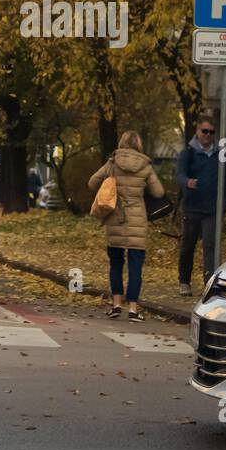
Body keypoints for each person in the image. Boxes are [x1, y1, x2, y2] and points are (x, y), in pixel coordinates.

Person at [88, 131, 163, 322]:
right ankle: (133, 309)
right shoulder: (146, 166)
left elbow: (92, 182)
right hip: (137, 221)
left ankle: (115, 305)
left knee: (116, 264)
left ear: (122, 142)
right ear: (138, 144)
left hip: (115, 218)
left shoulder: (112, 163)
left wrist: (109, 184)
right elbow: (159, 192)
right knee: (135, 266)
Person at [175, 116, 226, 295]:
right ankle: (184, 282)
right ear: (197, 131)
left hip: (212, 209)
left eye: (211, 132)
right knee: (188, 245)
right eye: (205, 131)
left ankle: (209, 283)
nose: (208, 135)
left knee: (210, 245)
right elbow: (179, 175)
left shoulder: (222, 153)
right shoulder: (188, 152)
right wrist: (188, 182)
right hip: (192, 207)